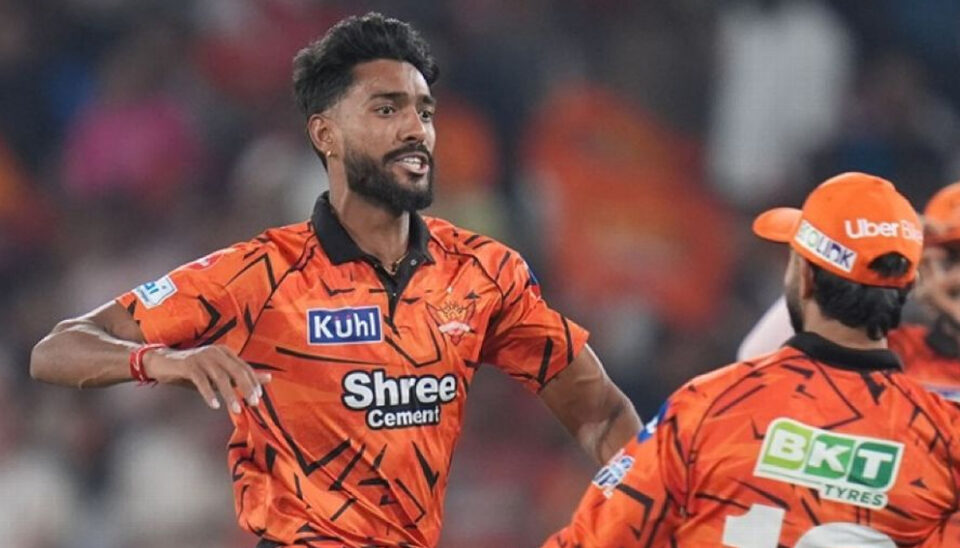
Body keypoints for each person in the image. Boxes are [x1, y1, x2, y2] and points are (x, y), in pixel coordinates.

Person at [29, 13, 640, 548]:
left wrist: (642, 508)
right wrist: (161, 361)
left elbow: (601, 416)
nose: (416, 129)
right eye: (387, 109)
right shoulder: (262, 273)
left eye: (424, 111)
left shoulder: (482, 272)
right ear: (326, 134)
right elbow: (57, 349)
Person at [542, 172, 960, 546]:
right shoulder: (945, 438)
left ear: (804, 277)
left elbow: (595, 539)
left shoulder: (708, 407)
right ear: (910, 286)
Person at [738, 182, 960, 402]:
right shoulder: (887, 348)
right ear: (922, 271)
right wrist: (887, 252)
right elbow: (758, 363)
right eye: (953, 259)